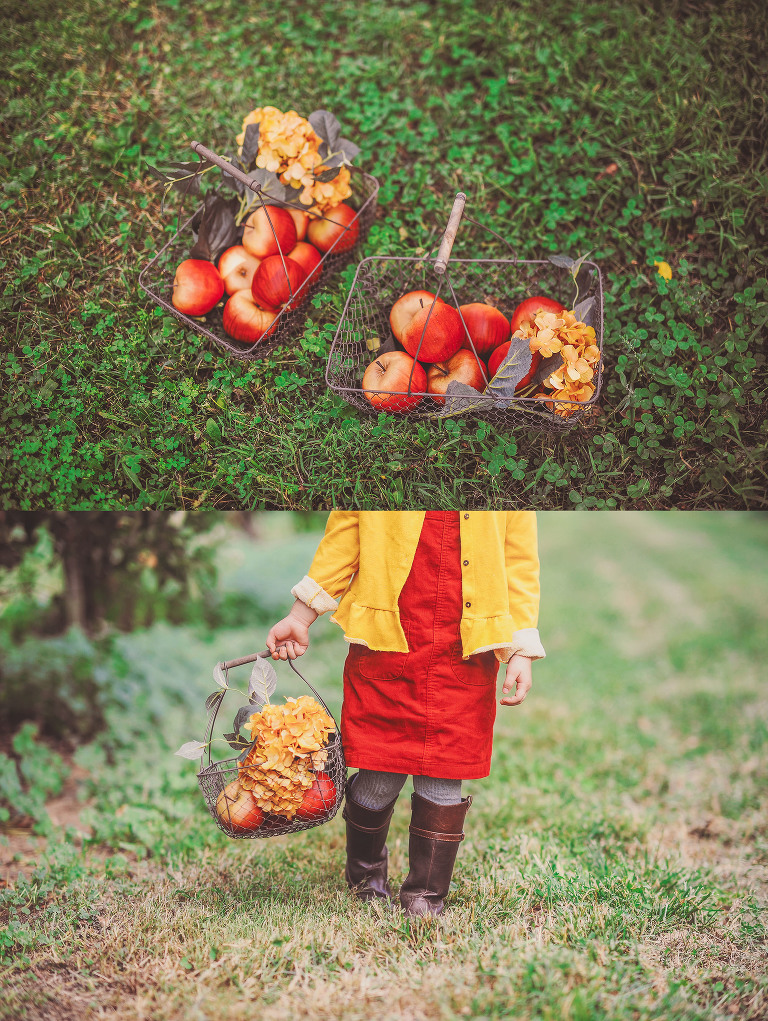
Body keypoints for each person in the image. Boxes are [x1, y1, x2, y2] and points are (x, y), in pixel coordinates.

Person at [266, 510, 545, 917]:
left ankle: (425, 896)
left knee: (445, 772)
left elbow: (518, 562)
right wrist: (300, 614)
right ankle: (364, 874)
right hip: (387, 646)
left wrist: (520, 648)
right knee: (379, 773)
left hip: (463, 653)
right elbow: (344, 540)